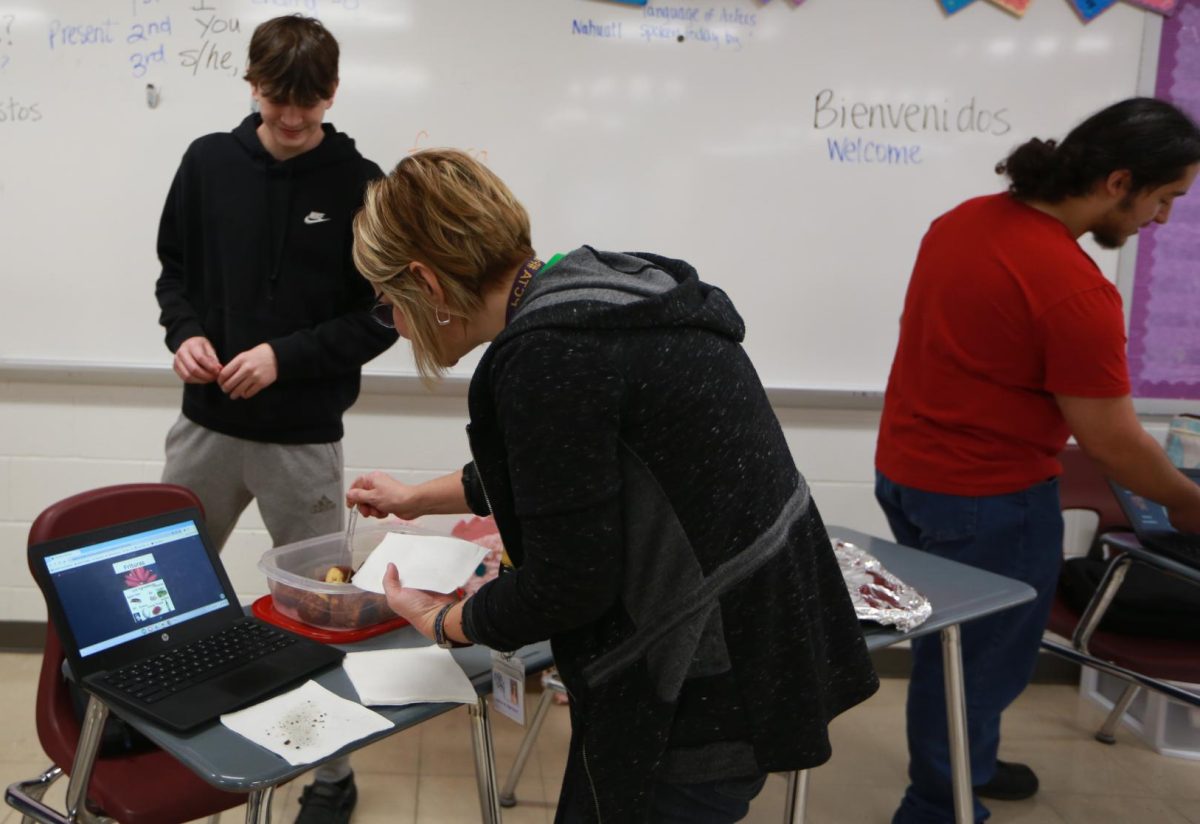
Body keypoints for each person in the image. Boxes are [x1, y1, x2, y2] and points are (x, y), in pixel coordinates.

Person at [343, 148, 879, 823]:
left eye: (391, 301)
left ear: (427, 281)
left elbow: (569, 582)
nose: (395, 323)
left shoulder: (548, 355)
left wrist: (446, 621)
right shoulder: (609, 292)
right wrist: (415, 499)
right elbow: (569, 468)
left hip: (699, 676)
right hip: (766, 632)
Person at [874, 97, 1200, 824]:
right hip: (989, 499)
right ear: (1120, 181)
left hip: (908, 473)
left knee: (951, 643)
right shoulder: (1074, 290)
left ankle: (970, 765)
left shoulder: (963, 222)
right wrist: (1186, 502)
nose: (1164, 220)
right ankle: (937, 805)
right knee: (977, 664)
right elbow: (1114, 442)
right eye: (1166, 198)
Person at [153, 15, 395, 824]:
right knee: (167, 591)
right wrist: (185, 334)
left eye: (310, 106)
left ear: (332, 93)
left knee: (323, 611)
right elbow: (173, 275)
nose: (293, 122)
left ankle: (331, 778)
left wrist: (283, 357)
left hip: (301, 438)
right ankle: (163, 739)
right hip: (205, 430)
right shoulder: (208, 162)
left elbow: (382, 317)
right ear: (252, 85)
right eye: (277, 102)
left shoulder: (365, 185)